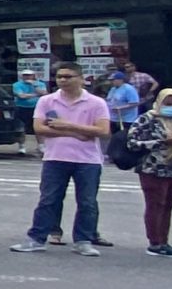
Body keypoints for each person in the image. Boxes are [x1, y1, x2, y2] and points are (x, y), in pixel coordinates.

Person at [15, 63, 111, 255]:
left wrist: (65, 125)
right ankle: (37, 238)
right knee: (49, 199)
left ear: (81, 78)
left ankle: (83, 240)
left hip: (88, 160)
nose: (63, 80)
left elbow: (102, 130)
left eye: (68, 76)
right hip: (55, 157)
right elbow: (39, 128)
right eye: (60, 77)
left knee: (87, 201)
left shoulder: (95, 103)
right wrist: (76, 133)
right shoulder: (47, 101)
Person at [137, 87, 172, 257]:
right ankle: (155, 243)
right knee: (155, 205)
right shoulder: (148, 119)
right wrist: (162, 141)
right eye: (168, 103)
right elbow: (133, 143)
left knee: (168, 206)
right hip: (153, 169)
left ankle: (165, 241)